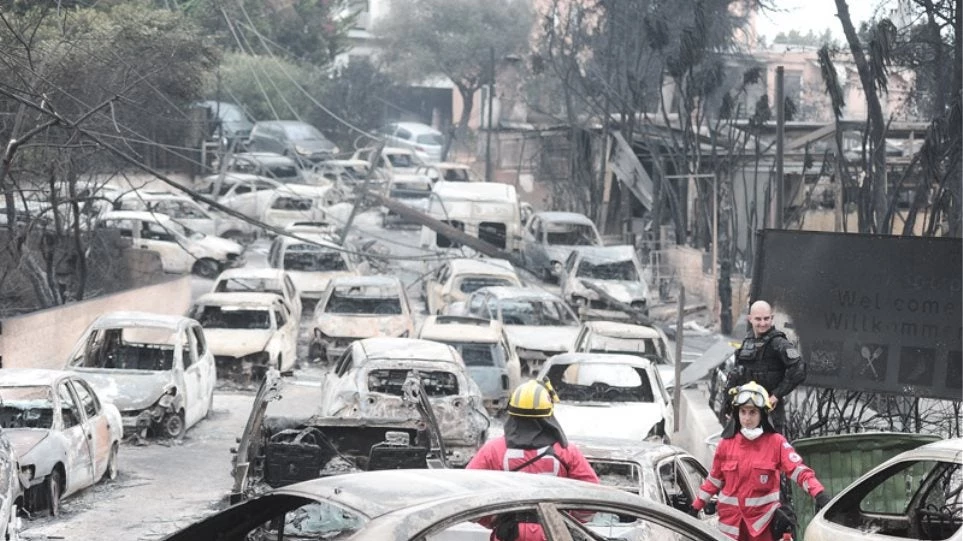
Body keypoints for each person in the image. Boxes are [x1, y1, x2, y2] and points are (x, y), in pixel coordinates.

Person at [692, 382, 831, 541]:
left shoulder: (775, 443)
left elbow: (799, 471)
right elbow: (713, 481)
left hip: (763, 528)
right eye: (743, 412)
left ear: (762, 414)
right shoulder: (726, 444)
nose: (747, 418)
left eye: (752, 412)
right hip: (729, 529)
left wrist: (819, 494)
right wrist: (695, 507)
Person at [467, 379, 599, 541]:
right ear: (548, 416)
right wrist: (570, 523)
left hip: (509, 534)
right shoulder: (567, 451)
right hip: (554, 533)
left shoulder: (493, 450)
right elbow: (591, 495)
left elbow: (466, 491)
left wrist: (493, 520)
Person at [727, 300, 805, 432]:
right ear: (750, 319)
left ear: (772, 318)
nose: (763, 323)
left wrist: (776, 395)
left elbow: (799, 368)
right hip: (747, 411)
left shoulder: (778, 342)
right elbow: (736, 373)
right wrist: (730, 406)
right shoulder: (746, 341)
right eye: (758, 319)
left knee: (770, 449)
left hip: (770, 411)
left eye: (766, 318)